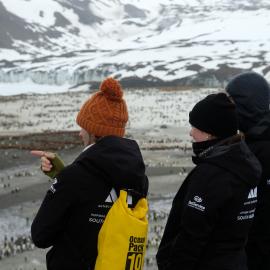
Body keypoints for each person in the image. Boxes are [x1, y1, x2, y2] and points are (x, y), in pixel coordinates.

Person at [31, 78, 149, 270]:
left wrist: (62, 180)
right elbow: (95, 192)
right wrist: (63, 173)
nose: (80, 134)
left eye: (83, 127)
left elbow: (41, 235)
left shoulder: (73, 178)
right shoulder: (138, 178)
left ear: (94, 130)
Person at [156, 93, 261, 270]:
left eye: (195, 127)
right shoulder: (244, 165)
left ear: (209, 132)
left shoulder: (213, 175)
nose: (191, 132)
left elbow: (191, 238)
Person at [226, 72, 270, 270]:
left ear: (247, 104)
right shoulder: (247, 144)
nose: (228, 109)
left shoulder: (256, 151)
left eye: (232, 102)